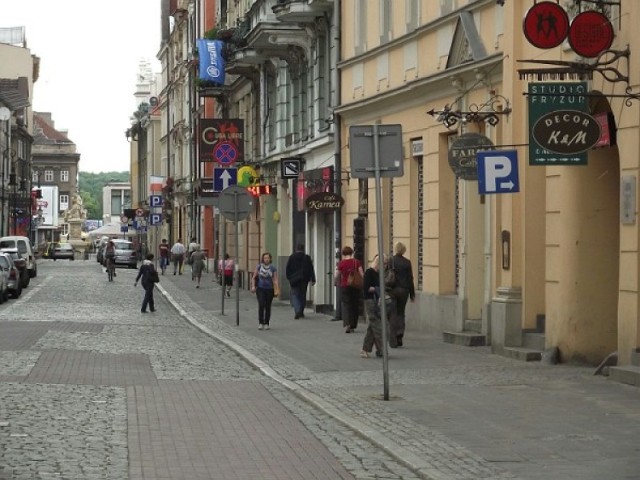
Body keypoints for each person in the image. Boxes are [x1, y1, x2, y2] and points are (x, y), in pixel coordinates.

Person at [388, 242, 415, 348]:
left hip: (392, 289)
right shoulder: (407, 262)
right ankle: (400, 333)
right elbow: (410, 278)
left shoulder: (391, 261)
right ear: (404, 250)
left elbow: (386, 275)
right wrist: (412, 294)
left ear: (395, 249)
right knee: (401, 312)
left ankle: (393, 337)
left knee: (392, 313)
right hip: (404, 290)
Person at [360, 254, 386, 358]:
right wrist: (376, 289)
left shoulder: (378, 273)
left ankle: (365, 349)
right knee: (377, 326)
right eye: (384, 263)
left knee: (372, 327)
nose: (385, 266)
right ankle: (382, 349)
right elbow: (366, 288)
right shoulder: (369, 272)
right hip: (369, 301)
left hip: (377, 301)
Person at [336, 246, 364, 333]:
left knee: (346, 305)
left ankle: (347, 324)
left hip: (345, 286)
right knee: (354, 305)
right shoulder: (357, 262)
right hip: (355, 286)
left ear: (343, 254)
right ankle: (353, 325)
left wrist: (336, 282)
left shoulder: (341, 263)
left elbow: (337, 275)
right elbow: (362, 273)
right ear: (352, 253)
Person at [285, 244, 316, 319]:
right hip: (304, 279)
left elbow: (288, 268)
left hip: (294, 279)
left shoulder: (292, 257)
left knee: (295, 295)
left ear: (296, 249)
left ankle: (297, 310)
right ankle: (301, 311)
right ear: (303, 249)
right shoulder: (307, 257)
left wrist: (289, 277)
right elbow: (311, 269)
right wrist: (313, 279)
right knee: (302, 295)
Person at [251, 252, 279, 330]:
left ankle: (266, 323)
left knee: (268, 306)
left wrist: (277, 288)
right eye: (265, 258)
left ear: (270, 259)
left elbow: (275, 279)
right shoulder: (259, 267)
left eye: (268, 258)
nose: (266, 259)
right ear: (263, 259)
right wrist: (253, 286)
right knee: (261, 304)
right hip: (260, 288)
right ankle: (260, 323)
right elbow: (254, 277)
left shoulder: (273, 268)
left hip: (270, 289)